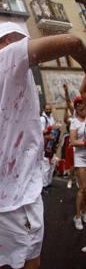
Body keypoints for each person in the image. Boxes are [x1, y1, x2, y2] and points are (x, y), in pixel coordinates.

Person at [0, 21, 86, 269]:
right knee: (19, 264)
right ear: (12, 42)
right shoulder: (6, 57)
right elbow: (74, 42)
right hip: (11, 197)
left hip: (5, 192)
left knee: (18, 261)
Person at [70, 77, 86, 231]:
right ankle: (77, 216)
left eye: (82, 103)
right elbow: (72, 142)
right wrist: (84, 143)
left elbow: (84, 91)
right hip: (80, 156)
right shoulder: (75, 122)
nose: (81, 106)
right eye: (78, 104)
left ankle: (85, 211)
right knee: (83, 188)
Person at [40, 103, 61, 188]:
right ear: (44, 109)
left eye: (49, 109)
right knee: (46, 166)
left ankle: (49, 183)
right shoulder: (42, 119)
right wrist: (51, 128)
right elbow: (41, 132)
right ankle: (44, 185)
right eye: (47, 109)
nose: (48, 110)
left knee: (52, 164)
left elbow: (55, 131)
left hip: (52, 144)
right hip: (45, 145)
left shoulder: (51, 117)